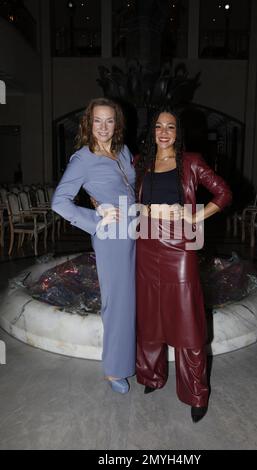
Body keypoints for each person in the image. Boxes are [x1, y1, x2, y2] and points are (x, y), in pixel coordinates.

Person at [135, 107, 232, 422]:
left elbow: (224, 193)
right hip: (146, 246)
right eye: (159, 126)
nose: (164, 132)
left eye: (171, 127)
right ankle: (152, 376)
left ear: (178, 132)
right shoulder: (141, 163)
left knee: (187, 321)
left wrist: (194, 216)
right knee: (150, 316)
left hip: (179, 247)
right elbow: (127, 196)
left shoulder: (191, 162)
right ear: (152, 131)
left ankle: (196, 393)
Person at [51, 97, 136, 394]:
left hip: (136, 230)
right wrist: (96, 216)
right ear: (88, 123)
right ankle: (114, 369)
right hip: (111, 235)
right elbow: (59, 203)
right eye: (97, 121)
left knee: (134, 297)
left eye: (109, 120)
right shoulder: (82, 159)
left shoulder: (123, 151)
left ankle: (130, 353)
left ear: (117, 124)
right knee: (117, 301)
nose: (103, 127)